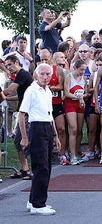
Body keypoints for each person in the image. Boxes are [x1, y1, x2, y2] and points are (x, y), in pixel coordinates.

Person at [19, 63, 60, 215]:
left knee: (46, 166)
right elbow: (22, 114)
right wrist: (24, 137)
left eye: (48, 74)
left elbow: (50, 115)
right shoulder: (31, 91)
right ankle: (38, 204)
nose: (45, 77)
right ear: (36, 75)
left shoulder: (47, 90)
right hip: (36, 128)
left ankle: (33, 199)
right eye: (42, 74)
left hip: (47, 127)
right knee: (41, 166)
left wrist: (55, 135)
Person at [3, 55, 34, 180]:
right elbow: (20, 96)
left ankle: (32, 170)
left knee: (26, 141)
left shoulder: (23, 74)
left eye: (10, 65)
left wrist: (2, 94)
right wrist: (6, 98)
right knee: (18, 141)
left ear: (17, 62)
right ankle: (24, 169)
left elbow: (10, 90)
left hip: (28, 113)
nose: (8, 68)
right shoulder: (20, 76)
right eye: (6, 66)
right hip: (23, 111)